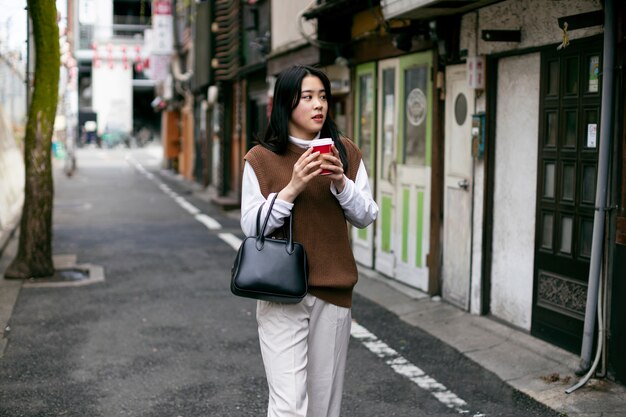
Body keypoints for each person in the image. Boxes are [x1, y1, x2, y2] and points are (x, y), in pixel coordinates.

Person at [240, 65, 378, 417]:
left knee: (323, 406)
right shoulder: (260, 158)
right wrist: (292, 188)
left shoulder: (344, 153)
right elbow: (251, 226)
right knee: (288, 406)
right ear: (287, 103)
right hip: (279, 292)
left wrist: (340, 183)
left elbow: (366, 216)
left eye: (323, 96)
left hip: (333, 292)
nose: (319, 105)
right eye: (308, 97)